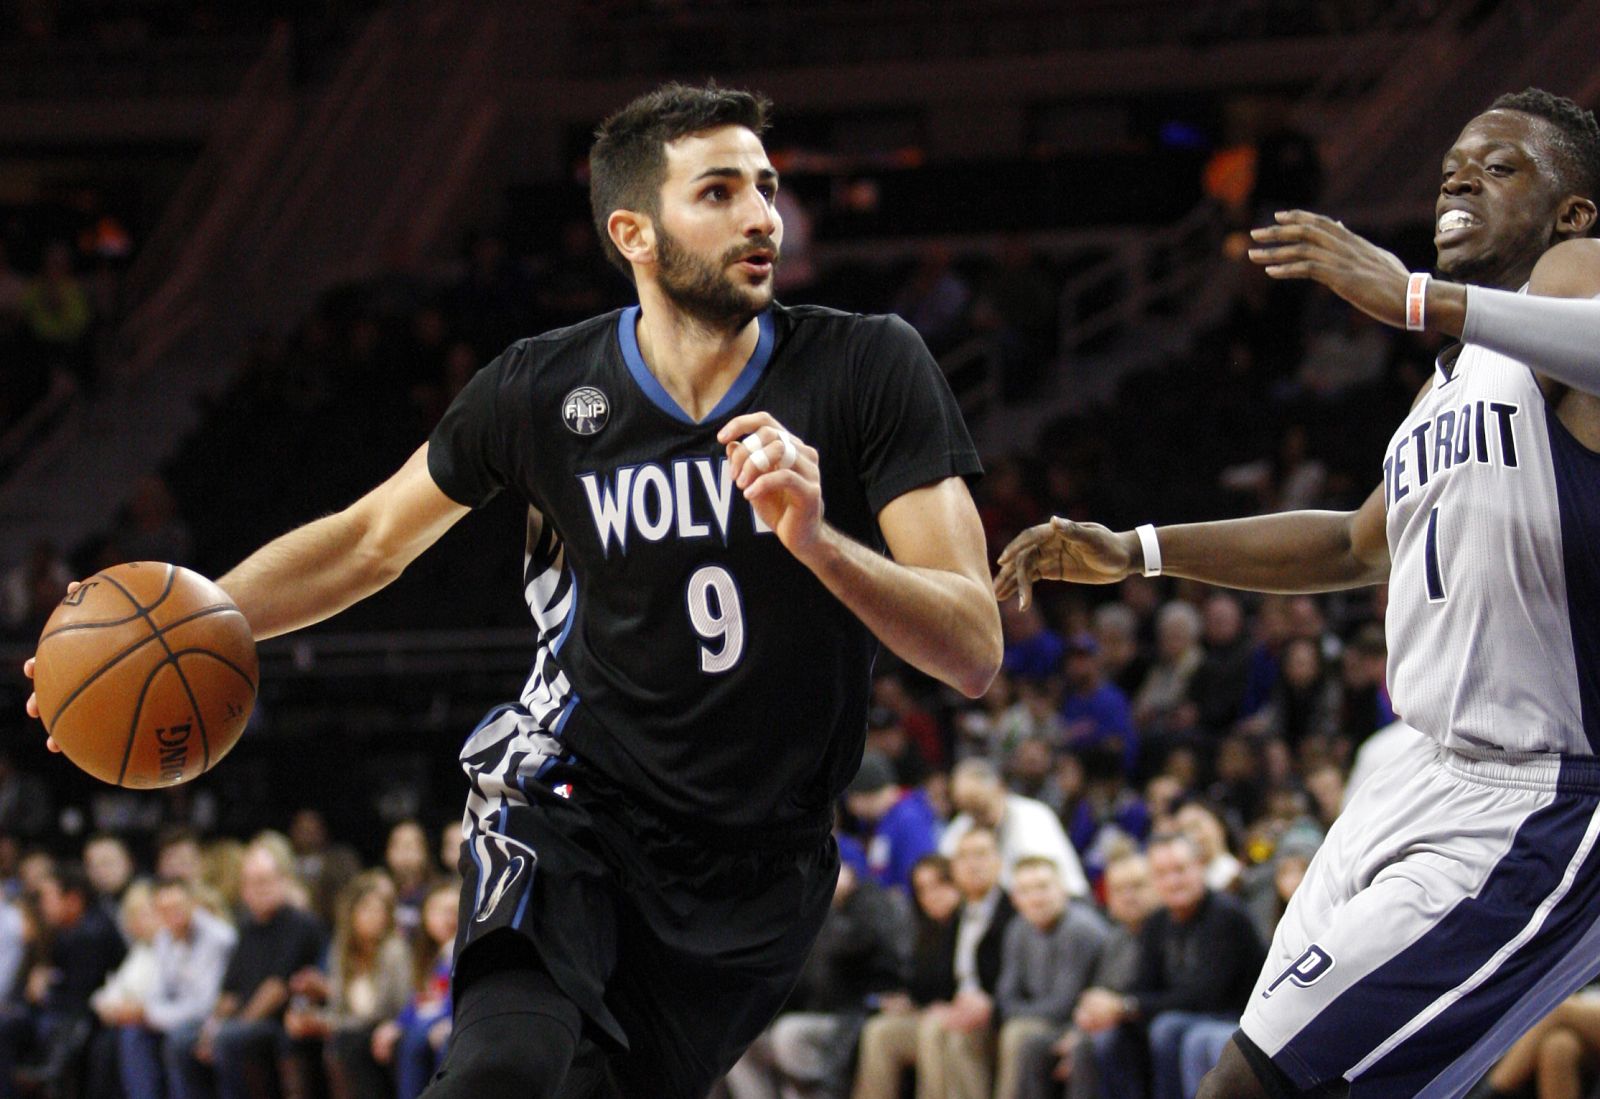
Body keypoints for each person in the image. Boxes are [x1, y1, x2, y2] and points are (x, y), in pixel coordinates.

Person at [28, 82, 1000, 1099]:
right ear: (632, 230)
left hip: (759, 863)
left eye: (764, 186)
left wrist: (819, 543)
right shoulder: (541, 389)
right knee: (500, 1071)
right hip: (570, 799)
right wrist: (166, 634)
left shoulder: (869, 367)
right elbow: (367, 541)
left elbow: (972, 647)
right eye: (718, 191)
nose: (762, 214)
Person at [995, 87, 1600, 1098]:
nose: (1460, 174)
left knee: (1250, 1087)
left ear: (1572, 211)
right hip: (1413, 779)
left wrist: (1408, 294)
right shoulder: (1443, 388)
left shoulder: (1573, 279)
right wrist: (1137, 548)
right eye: (1454, 161)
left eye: (1501, 167)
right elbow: (1357, 543)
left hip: (1538, 797)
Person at [991, 856, 1109, 1099]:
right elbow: (1005, 995)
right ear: (1014, 899)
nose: (1036, 898)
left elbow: (1064, 1004)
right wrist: (1014, 1011)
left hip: (1079, 1025)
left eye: (1043, 887)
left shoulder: (1080, 929)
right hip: (1040, 1019)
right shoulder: (1017, 929)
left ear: (1063, 888)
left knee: (1020, 1033)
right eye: (1026, 890)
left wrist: (1016, 1013)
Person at [941, 758, 1089, 897]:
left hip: (1063, 901)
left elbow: (1041, 877)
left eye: (979, 803)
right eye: (966, 807)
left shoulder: (1033, 816)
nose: (975, 813)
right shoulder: (964, 825)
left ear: (999, 788)